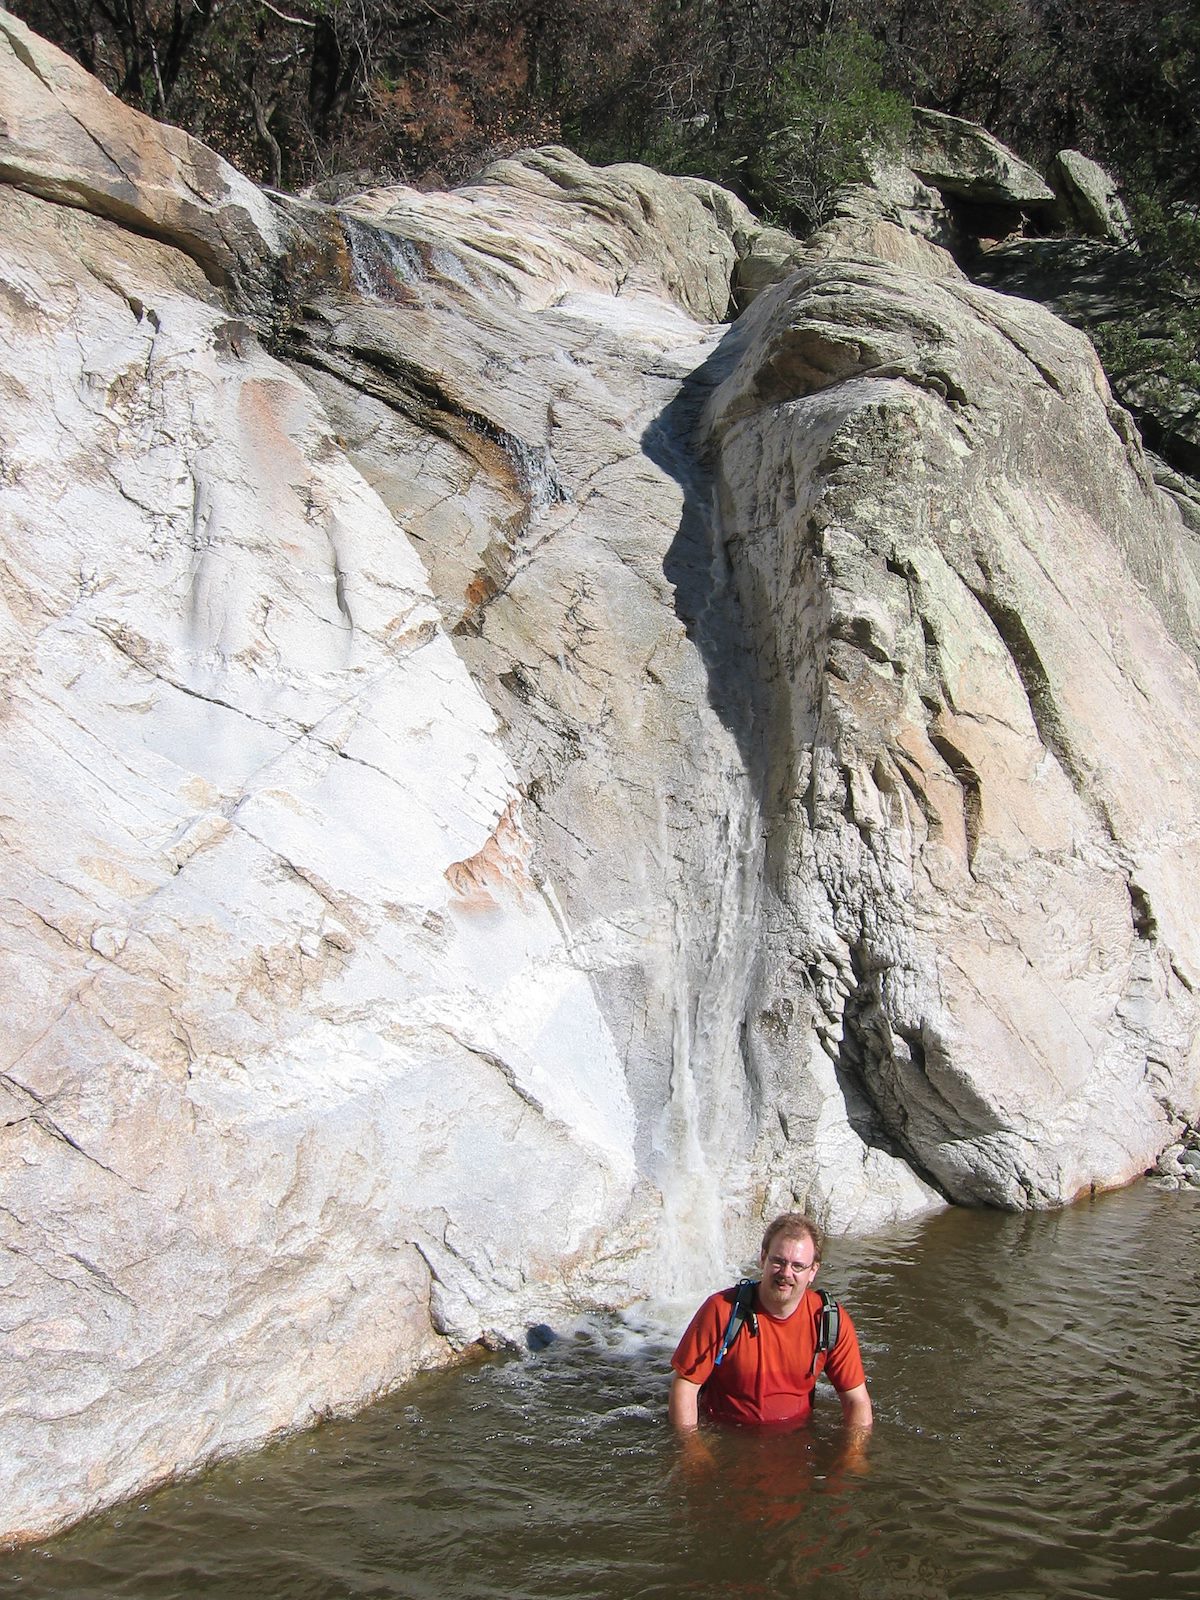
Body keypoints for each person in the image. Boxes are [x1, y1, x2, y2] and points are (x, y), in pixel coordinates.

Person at [669, 1212, 873, 1433]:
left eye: (798, 1266)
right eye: (778, 1261)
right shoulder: (722, 1310)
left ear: (813, 1271)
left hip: (796, 1438)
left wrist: (853, 1457)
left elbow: (856, 1400)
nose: (786, 1273)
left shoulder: (829, 1320)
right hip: (726, 1434)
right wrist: (693, 1452)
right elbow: (685, 1386)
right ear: (763, 1258)